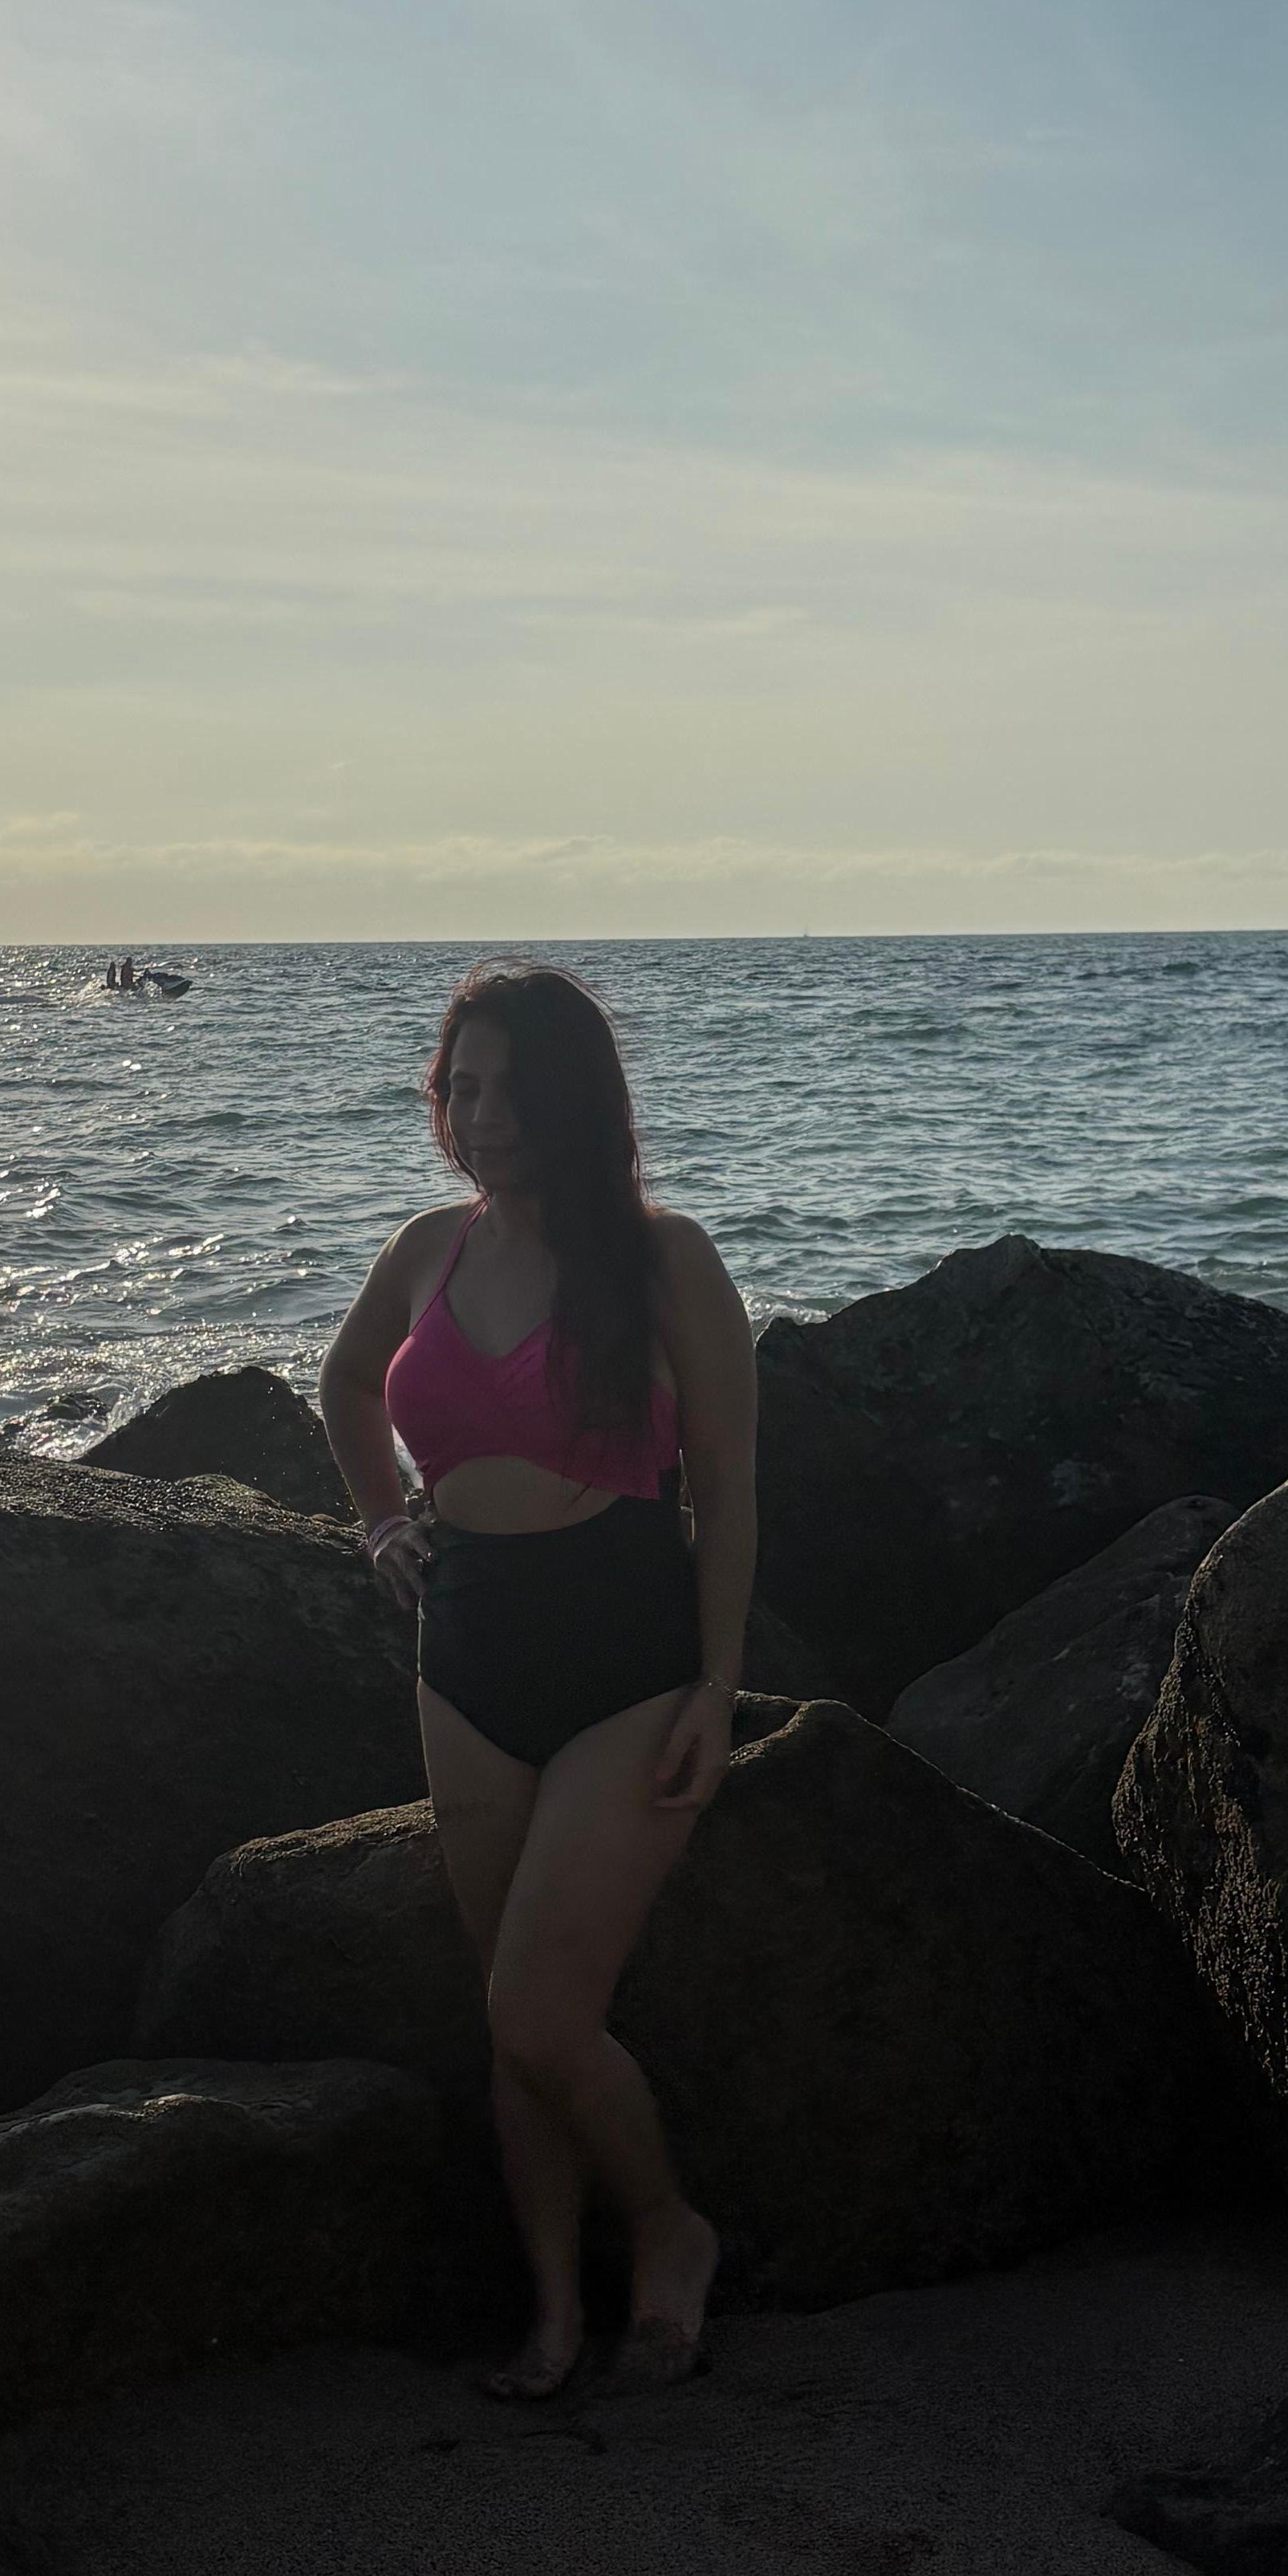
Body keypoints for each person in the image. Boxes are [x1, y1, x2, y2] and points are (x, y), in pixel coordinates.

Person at [320, 962, 755, 2397]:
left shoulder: (666, 1258)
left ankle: (668, 2227)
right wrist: (381, 1520)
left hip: (621, 1651)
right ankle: (558, 2311)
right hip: (471, 1649)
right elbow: (340, 1388)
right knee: (508, 2004)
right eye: (461, 1085)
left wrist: (715, 1688)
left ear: (578, 1098)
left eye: (510, 1086)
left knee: (538, 2013)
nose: (481, 1115)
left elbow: (731, 1493)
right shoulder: (427, 1250)